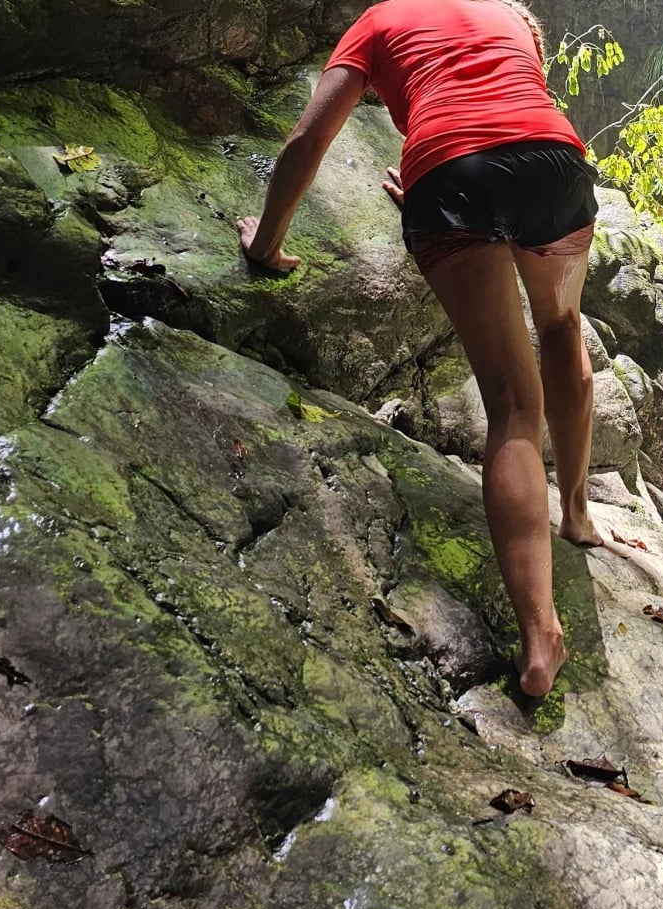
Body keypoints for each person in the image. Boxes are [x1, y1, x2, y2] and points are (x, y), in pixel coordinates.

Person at [236, 0, 602, 699]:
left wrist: (266, 244)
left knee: (511, 408)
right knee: (561, 328)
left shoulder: (377, 21)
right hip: (553, 164)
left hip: (447, 174)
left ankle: (539, 637)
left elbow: (307, 143)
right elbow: (511, 107)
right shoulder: (510, 16)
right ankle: (578, 511)